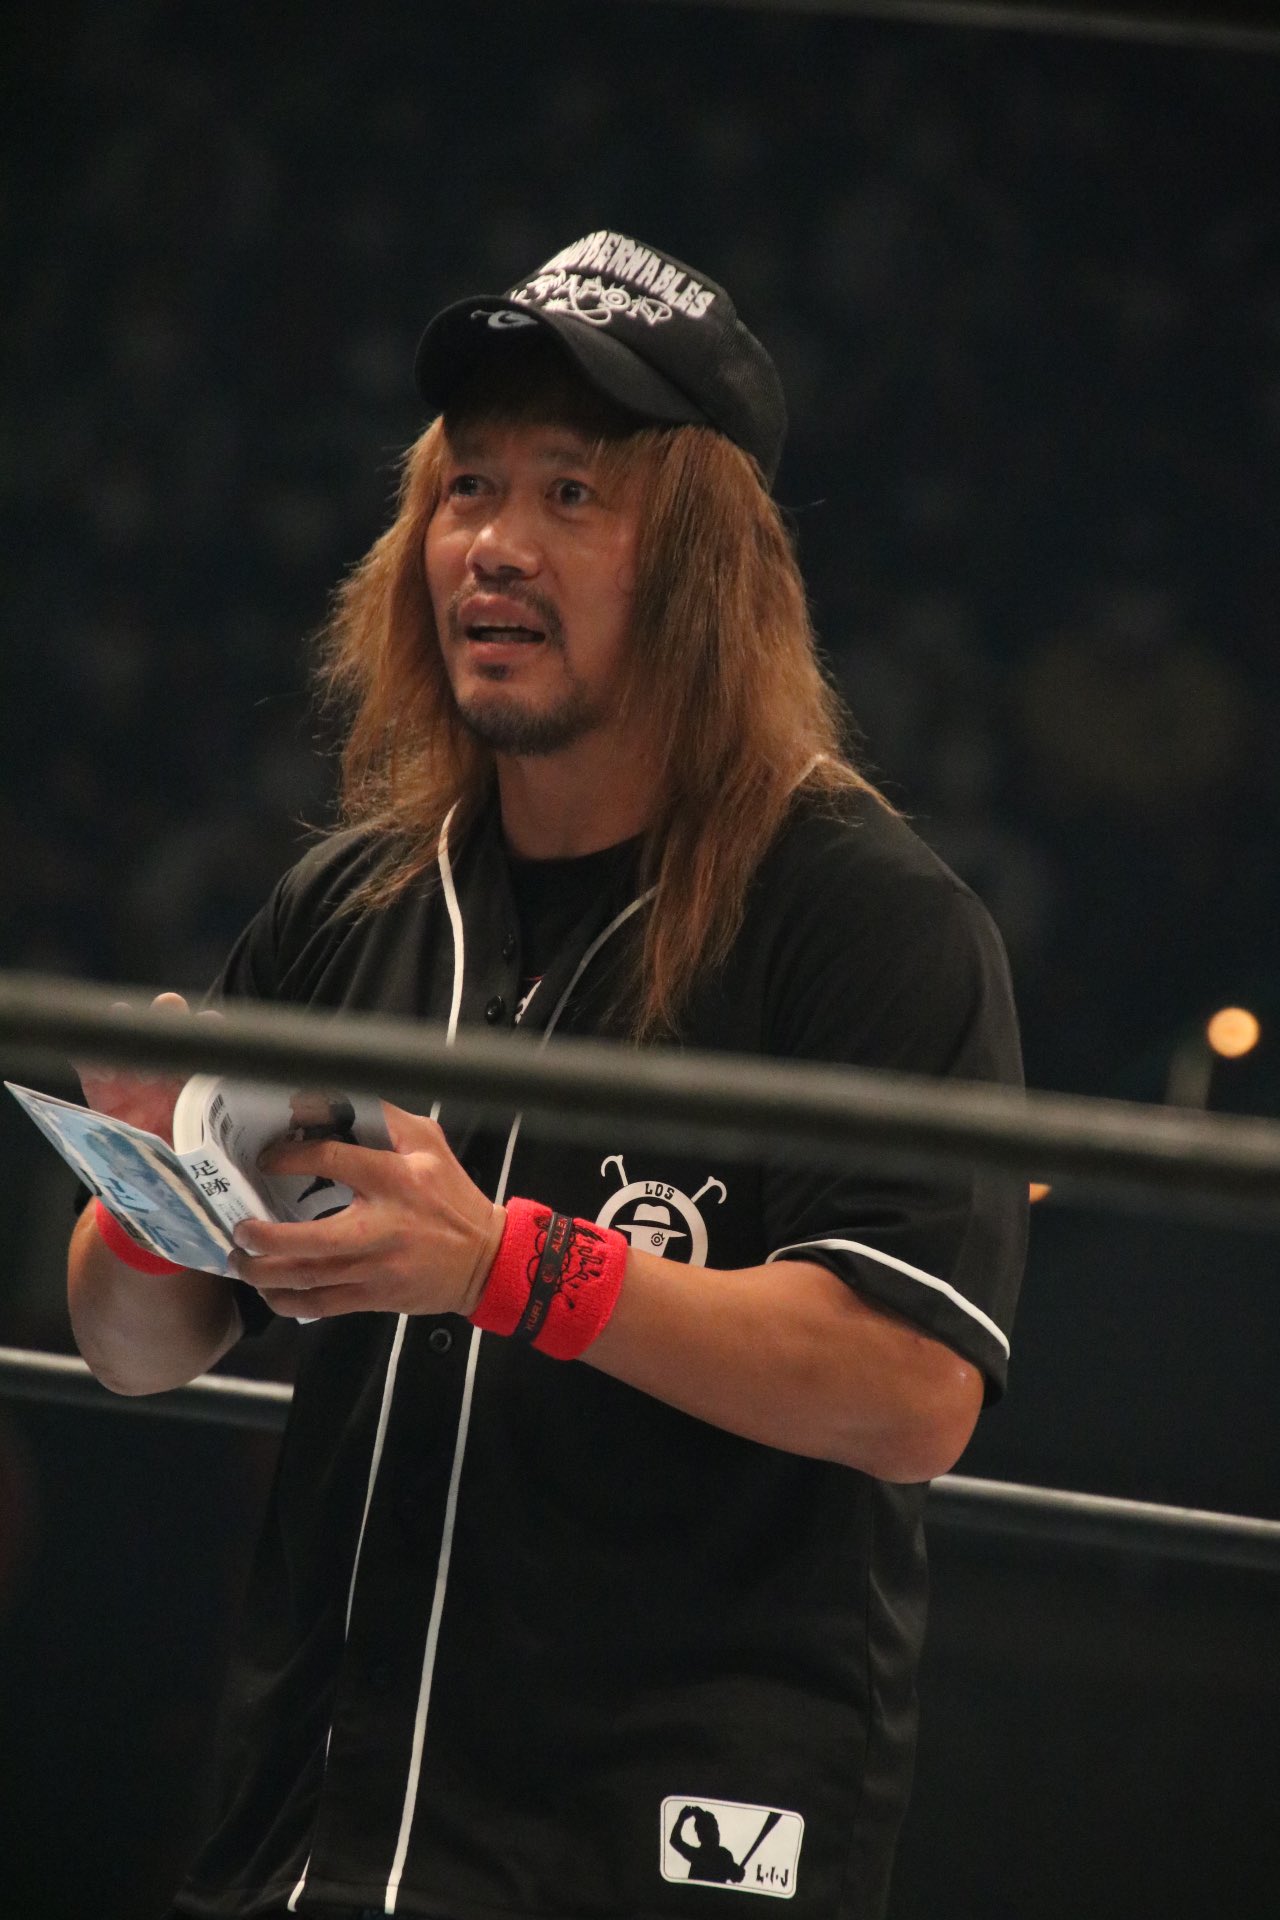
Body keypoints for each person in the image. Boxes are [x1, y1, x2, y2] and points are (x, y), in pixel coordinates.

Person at [68, 231, 1027, 1920]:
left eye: (572, 493)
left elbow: (912, 1389)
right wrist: (154, 1185)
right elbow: (134, 1351)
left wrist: (510, 1267)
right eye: (469, 489)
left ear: (705, 565)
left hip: (664, 1839)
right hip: (320, 1832)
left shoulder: (867, 918)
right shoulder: (356, 904)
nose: (495, 545)